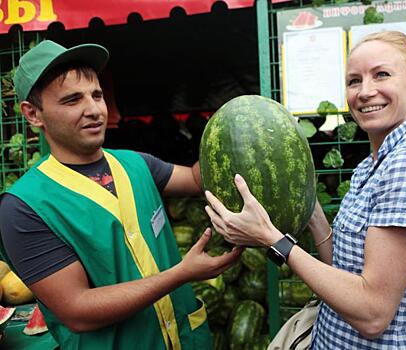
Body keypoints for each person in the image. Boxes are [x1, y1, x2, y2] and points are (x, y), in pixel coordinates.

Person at [205, 31, 406, 349]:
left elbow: (372, 313)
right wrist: (308, 207)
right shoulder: (372, 166)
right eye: (354, 81)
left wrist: (273, 239)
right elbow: (344, 270)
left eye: (381, 74)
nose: (365, 91)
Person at [0, 40, 242, 350]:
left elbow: (197, 179)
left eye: (97, 95)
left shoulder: (135, 164)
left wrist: (237, 131)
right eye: (73, 100)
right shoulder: (24, 207)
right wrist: (181, 274)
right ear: (33, 114)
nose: (94, 110)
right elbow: (78, 310)